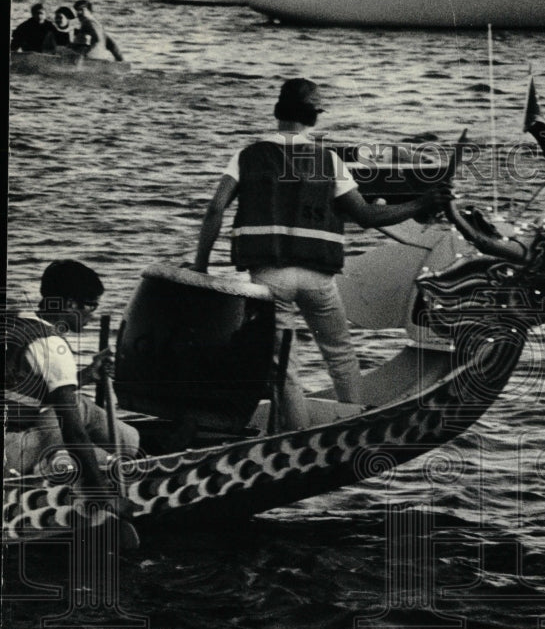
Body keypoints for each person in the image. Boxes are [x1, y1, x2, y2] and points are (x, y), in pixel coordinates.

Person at [191, 78, 452, 430]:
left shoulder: (247, 156)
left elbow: (214, 210)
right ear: (313, 117)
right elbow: (365, 215)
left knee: (285, 369)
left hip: (269, 278)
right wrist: (421, 202)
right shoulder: (327, 160)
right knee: (341, 355)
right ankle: (356, 423)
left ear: (277, 111)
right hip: (318, 278)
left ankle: (298, 435)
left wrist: (201, 266)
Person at [3, 260, 140, 490]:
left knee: (77, 405)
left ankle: (127, 445)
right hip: (12, 453)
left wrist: (86, 376)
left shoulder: (16, 321)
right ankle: (114, 463)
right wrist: (102, 493)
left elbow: (22, 390)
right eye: (91, 306)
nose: (93, 315)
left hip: (12, 439)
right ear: (69, 304)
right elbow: (74, 432)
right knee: (80, 426)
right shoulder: (52, 346)